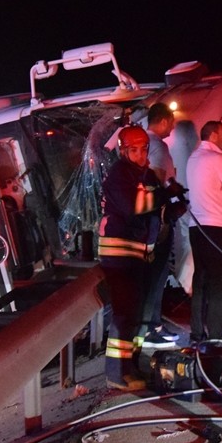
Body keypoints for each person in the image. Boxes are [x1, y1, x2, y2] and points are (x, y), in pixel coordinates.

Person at [93, 126, 172, 391]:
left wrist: (172, 208)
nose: (140, 154)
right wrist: (161, 196)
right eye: (134, 150)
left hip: (139, 251)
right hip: (118, 253)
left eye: (144, 149)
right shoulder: (119, 175)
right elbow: (133, 207)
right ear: (123, 150)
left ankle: (132, 364)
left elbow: (154, 208)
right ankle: (117, 373)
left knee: (137, 313)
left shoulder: (145, 174)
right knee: (124, 313)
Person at [185, 120, 222, 343]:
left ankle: (196, 332)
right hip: (216, 227)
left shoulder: (193, 158)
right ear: (213, 135)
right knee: (219, 283)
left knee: (200, 280)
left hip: (196, 228)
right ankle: (216, 335)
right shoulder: (216, 158)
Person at [135, 102, 182, 350]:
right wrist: (174, 194)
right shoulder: (159, 146)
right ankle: (150, 329)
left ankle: (149, 326)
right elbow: (158, 182)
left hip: (142, 222)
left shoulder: (142, 143)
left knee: (149, 276)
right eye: (171, 122)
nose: (172, 126)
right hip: (159, 221)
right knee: (158, 274)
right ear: (163, 121)